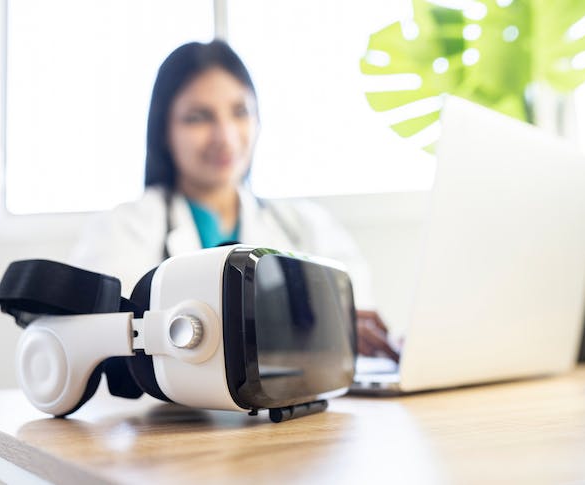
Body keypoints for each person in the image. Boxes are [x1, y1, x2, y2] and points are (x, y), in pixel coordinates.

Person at [71, 40, 398, 360]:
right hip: (166, 414)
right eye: (198, 117)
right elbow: (104, 341)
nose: (225, 137)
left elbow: (359, 319)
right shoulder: (122, 230)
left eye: (240, 112)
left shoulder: (306, 225)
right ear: (163, 131)